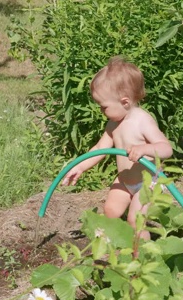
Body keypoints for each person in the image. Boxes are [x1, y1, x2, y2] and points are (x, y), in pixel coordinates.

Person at [62, 56, 173, 240]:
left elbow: (166, 149)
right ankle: (112, 245)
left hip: (148, 183)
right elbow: (100, 148)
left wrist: (144, 149)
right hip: (125, 181)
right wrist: (80, 166)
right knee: (110, 211)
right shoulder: (113, 124)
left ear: (125, 102)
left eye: (103, 107)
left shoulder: (142, 121)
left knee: (135, 219)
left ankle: (142, 255)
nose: (100, 111)